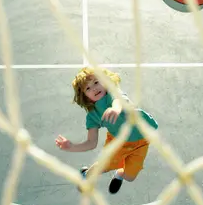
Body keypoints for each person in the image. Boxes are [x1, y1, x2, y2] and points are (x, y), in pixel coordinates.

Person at [55, 66, 158, 194]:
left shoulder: (113, 93)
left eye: (96, 82)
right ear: (85, 96)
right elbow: (91, 143)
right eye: (88, 88)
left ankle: (119, 175)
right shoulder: (93, 115)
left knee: (130, 177)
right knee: (102, 167)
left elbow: (118, 101)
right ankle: (86, 175)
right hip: (117, 142)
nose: (94, 88)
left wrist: (115, 109)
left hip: (142, 140)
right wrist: (71, 146)